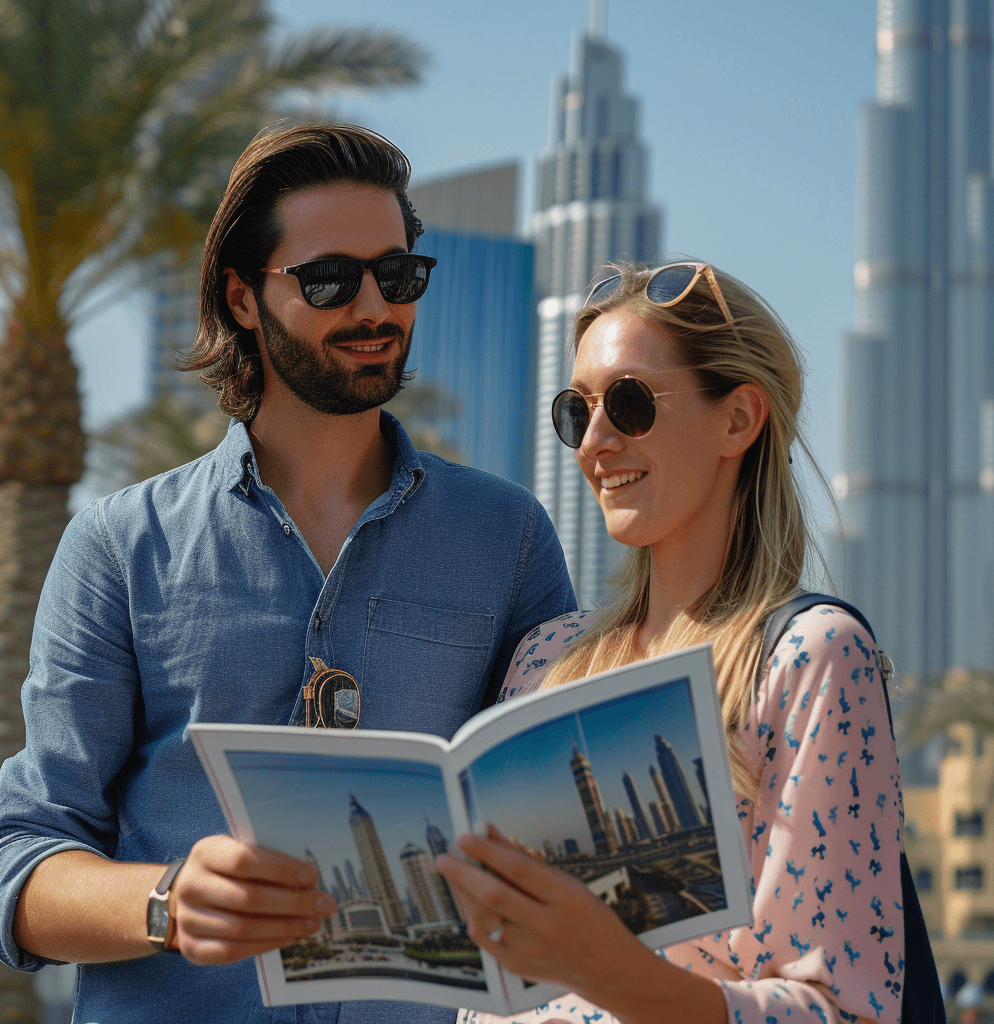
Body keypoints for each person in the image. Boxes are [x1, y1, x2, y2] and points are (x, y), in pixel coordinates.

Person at [0, 123, 575, 1023]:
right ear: (241, 298)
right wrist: (169, 905)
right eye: (329, 279)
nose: (375, 307)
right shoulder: (118, 543)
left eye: (399, 276)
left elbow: (554, 818)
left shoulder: (510, 537)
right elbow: (24, 855)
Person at [437, 261, 905, 1024]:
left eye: (628, 404)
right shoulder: (543, 658)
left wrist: (613, 972)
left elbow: (844, 1011)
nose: (594, 442)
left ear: (738, 419)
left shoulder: (808, 657)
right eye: (575, 411)